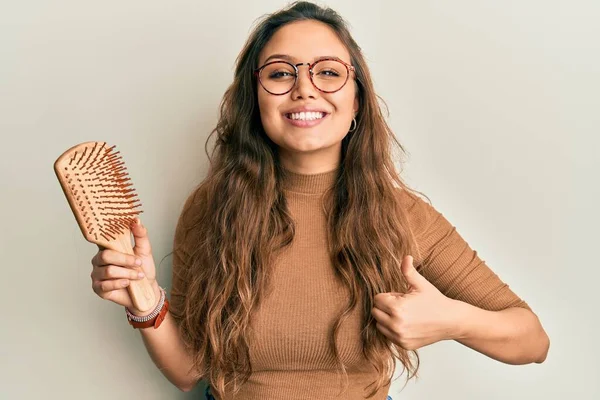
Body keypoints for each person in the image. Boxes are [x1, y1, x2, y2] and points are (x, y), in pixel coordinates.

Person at [89, 2, 550, 399]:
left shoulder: (403, 215)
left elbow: (532, 341)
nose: (304, 88)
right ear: (256, 99)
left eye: (328, 72)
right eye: (280, 73)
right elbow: (188, 369)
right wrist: (144, 298)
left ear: (357, 102)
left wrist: (453, 321)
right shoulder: (213, 209)